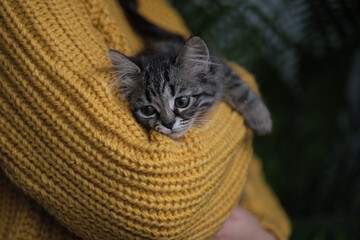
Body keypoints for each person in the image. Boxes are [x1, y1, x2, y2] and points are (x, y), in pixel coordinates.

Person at [0, 0, 291, 239]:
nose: (168, 122)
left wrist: (262, 231)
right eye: (150, 111)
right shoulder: (26, 11)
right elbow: (157, 198)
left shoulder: (154, 6)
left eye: (180, 103)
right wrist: (233, 109)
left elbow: (248, 165)